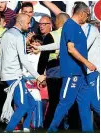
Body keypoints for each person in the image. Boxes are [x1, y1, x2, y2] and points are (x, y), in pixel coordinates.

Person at [47, 2, 96, 132]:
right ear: (82, 13)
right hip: (72, 72)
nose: (88, 18)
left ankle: (89, 132)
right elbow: (71, 49)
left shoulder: (78, 27)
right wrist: (87, 63)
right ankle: (51, 130)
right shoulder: (70, 26)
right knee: (66, 102)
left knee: (85, 103)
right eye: (87, 15)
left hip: (81, 73)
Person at [0, 13, 46, 132]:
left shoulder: (5, 34)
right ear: (20, 23)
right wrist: (38, 76)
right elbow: (24, 60)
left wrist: (0, 75)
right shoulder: (19, 36)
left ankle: (25, 129)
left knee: (32, 103)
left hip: (8, 75)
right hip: (14, 75)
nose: (30, 26)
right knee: (24, 106)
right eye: (28, 23)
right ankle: (8, 131)